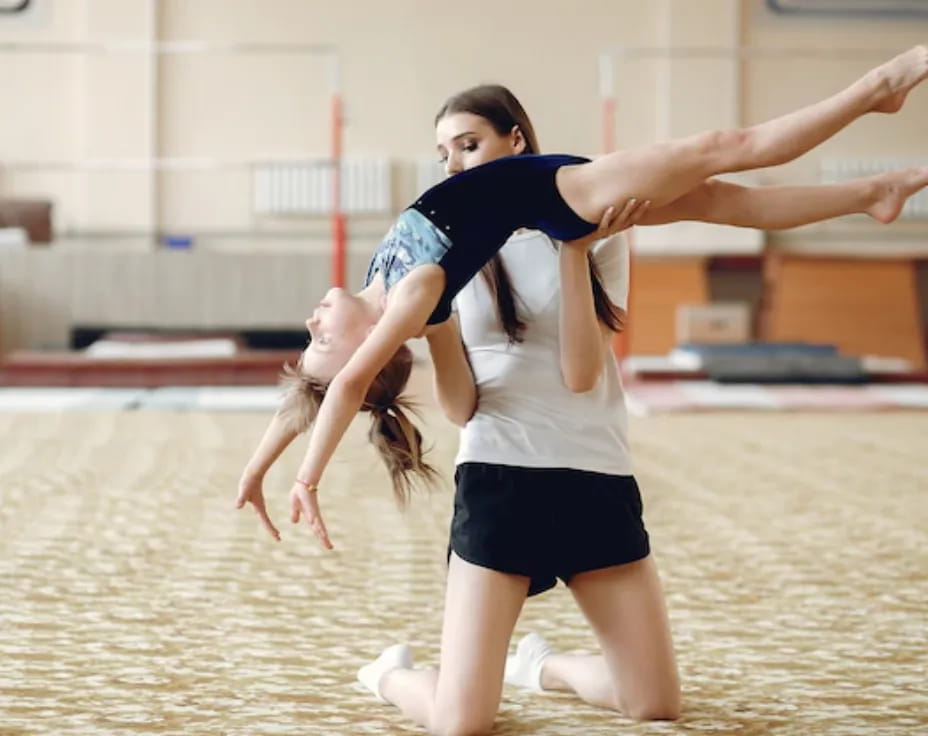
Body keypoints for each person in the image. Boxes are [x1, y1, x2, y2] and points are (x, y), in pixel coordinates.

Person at [236, 45, 928, 557]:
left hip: (551, 198)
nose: (311, 320)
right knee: (725, 148)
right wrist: (310, 478)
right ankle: (879, 87)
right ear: (371, 341)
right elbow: (350, 382)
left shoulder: (383, 274)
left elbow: (314, 393)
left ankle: (874, 193)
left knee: (721, 201)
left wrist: (257, 466)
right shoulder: (416, 296)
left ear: (509, 137)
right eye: (320, 338)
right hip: (556, 196)